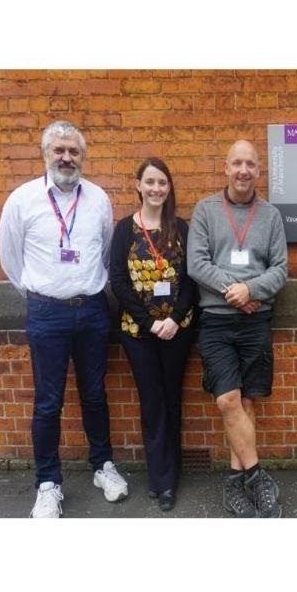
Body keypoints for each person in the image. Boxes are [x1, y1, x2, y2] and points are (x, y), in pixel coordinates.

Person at [0, 120, 128, 518]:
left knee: (94, 394)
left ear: (83, 157)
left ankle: (103, 466)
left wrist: (84, 286)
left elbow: (105, 251)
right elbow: (9, 256)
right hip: (46, 313)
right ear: (46, 154)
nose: (67, 158)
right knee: (48, 403)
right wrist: (39, 293)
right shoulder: (22, 200)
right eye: (60, 150)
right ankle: (48, 484)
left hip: (91, 310)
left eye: (74, 151)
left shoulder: (99, 200)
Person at [187, 139, 288, 518]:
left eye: (250, 164)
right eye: (237, 164)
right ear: (225, 168)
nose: (243, 170)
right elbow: (196, 264)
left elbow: (280, 269)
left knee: (246, 403)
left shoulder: (271, 216)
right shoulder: (206, 211)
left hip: (256, 319)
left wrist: (252, 290)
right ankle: (258, 477)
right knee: (227, 400)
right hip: (216, 320)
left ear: (259, 170)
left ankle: (235, 483)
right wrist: (235, 292)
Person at [109, 158, 197, 512]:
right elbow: (118, 280)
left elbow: (192, 277)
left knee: (172, 397)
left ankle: (171, 477)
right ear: (138, 185)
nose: (157, 188)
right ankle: (160, 479)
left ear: (169, 187)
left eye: (163, 182)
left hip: (178, 329)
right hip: (138, 331)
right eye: (150, 182)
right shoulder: (124, 230)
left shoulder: (181, 228)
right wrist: (149, 322)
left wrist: (174, 318)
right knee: (151, 400)